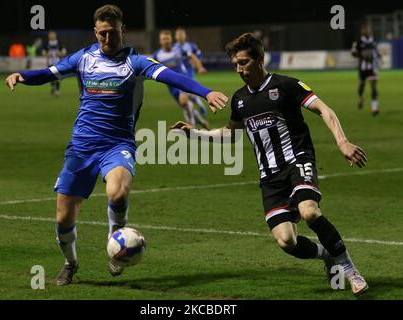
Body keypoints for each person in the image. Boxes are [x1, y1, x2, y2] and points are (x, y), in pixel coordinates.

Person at [5, 4, 228, 286]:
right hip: (82, 147)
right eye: (102, 34)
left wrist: (206, 92)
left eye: (112, 33)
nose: (107, 39)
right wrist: (22, 76)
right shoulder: (83, 58)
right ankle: (70, 263)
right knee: (63, 218)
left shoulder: (136, 62)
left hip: (117, 144)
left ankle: (115, 243)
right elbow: (50, 72)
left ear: (122, 30)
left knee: (119, 192)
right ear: (95, 32)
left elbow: (172, 76)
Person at [172, 33, 369, 296]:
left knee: (309, 212)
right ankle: (327, 256)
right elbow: (230, 134)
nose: (239, 69)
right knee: (287, 241)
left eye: (243, 63)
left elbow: (324, 109)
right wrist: (193, 134)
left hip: (297, 160)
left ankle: (351, 271)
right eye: (235, 65)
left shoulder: (286, 85)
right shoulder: (240, 99)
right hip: (270, 178)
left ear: (260, 59)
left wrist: (342, 142)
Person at [154, 30, 209, 129]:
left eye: (167, 38)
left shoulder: (178, 49)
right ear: (160, 41)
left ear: (171, 39)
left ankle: (191, 128)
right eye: (163, 39)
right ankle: (202, 122)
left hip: (182, 80)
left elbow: (192, 55)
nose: (166, 41)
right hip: (170, 85)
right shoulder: (157, 55)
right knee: (185, 105)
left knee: (184, 102)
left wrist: (200, 67)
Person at [174, 27, 208, 116]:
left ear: (185, 35)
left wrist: (198, 66)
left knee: (185, 94)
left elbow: (197, 55)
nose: (180, 36)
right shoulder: (174, 47)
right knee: (188, 91)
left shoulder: (190, 45)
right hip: (178, 72)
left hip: (189, 70)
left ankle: (192, 119)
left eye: (182, 34)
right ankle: (199, 105)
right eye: (178, 34)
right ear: (175, 36)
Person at [351, 25, 380, 116]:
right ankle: (361, 97)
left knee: (374, 87)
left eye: (368, 30)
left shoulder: (373, 40)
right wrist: (361, 55)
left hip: (372, 68)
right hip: (362, 69)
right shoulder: (359, 42)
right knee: (361, 86)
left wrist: (378, 56)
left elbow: (376, 52)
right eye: (365, 30)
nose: (367, 31)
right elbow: (353, 53)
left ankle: (374, 108)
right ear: (363, 32)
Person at [42, 31, 67, 97]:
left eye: (53, 35)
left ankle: (57, 90)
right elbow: (43, 52)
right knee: (50, 76)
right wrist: (47, 54)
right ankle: (53, 87)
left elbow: (64, 52)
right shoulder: (47, 43)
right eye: (50, 35)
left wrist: (60, 54)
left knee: (57, 76)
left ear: (55, 35)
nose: (52, 36)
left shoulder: (59, 43)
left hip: (57, 62)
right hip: (50, 62)